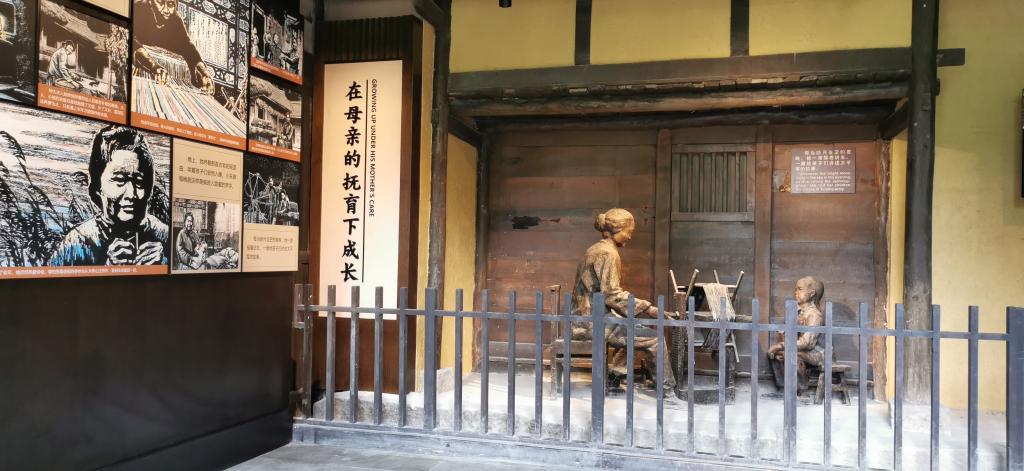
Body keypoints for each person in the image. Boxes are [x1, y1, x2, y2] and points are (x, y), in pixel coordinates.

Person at [570, 208, 677, 392]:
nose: (629, 236)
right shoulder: (608, 254)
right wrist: (649, 309)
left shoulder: (596, 248)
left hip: (586, 317)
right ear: (617, 230)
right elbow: (612, 295)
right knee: (655, 339)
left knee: (634, 327)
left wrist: (638, 310)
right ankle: (666, 391)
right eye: (628, 232)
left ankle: (615, 376)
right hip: (591, 324)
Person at [49, 126, 168, 266]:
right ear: (98, 185)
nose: (131, 194)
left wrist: (164, 262)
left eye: (139, 181)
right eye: (119, 179)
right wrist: (108, 268)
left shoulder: (164, 235)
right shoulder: (77, 243)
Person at [132, 0, 214, 94]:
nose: (166, 10)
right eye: (160, 2)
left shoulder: (175, 18)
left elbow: (187, 45)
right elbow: (132, 39)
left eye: (170, 4)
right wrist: (153, 65)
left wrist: (204, 72)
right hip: (140, 74)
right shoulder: (138, 7)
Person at [767, 276, 826, 392]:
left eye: (800, 289)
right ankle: (784, 386)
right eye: (795, 289)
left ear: (812, 293)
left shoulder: (815, 315)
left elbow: (807, 343)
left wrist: (780, 346)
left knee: (792, 355)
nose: (796, 292)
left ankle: (803, 388)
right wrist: (783, 335)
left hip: (818, 352)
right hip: (805, 350)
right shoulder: (799, 312)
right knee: (776, 355)